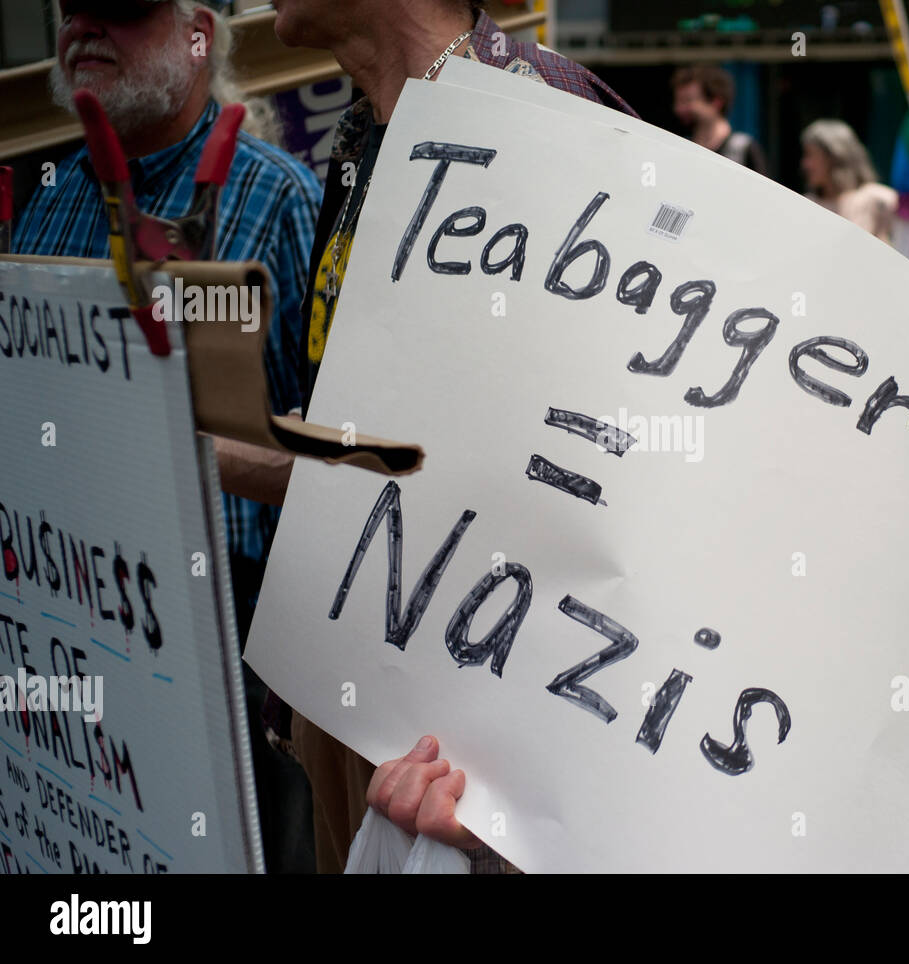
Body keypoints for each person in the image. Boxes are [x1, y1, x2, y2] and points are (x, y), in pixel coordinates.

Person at [267, 0, 638, 874]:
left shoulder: (546, 109)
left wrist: (527, 780)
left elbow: (619, 468)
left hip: (481, 753)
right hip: (365, 694)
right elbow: (380, 449)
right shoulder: (361, 134)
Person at [14, 0, 324, 871]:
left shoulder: (277, 198)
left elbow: (335, 457)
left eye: (119, 9)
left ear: (199, 35)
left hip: (230, 646)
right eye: (71, 10)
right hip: (73, 614)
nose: (84, 28)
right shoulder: (51, 199)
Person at [800, 119, 897, 242]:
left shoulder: (879, 198)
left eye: (810, 154)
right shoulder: (807, 204)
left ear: (834, 156)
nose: (805, 164)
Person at [670, 64, 768, 175]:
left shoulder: (744, 150)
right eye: (678, 101)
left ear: (716, 102)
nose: (678, 109)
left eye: (687, 100)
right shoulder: (681, 149)